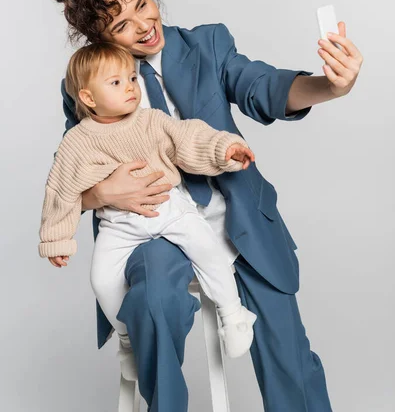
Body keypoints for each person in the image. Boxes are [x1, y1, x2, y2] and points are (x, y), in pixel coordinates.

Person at [52, 0, 363, 412]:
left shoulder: (208, 44)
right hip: (153, 230)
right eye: (121, 26)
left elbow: (264, 86)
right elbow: (70, 171)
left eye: (141, 2)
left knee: (289, 358)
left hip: (240, 221)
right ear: (100, 39)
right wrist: (101, 194)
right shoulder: (92, 85)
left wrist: (330, 86)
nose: (143, 25)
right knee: (154, 303)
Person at [38, 41, 258, 375]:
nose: (129, 87)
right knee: (102, 280)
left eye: (131, 78)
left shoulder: (151, 121)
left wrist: (224, 148)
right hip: (118, 223)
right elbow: (62, 188)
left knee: (207, 250)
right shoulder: (78, 142)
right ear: (88, 98)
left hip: (168, 207)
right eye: (116, 83)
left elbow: (189, 137)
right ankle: (127, 339)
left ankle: (233, 315)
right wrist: (57, 238)